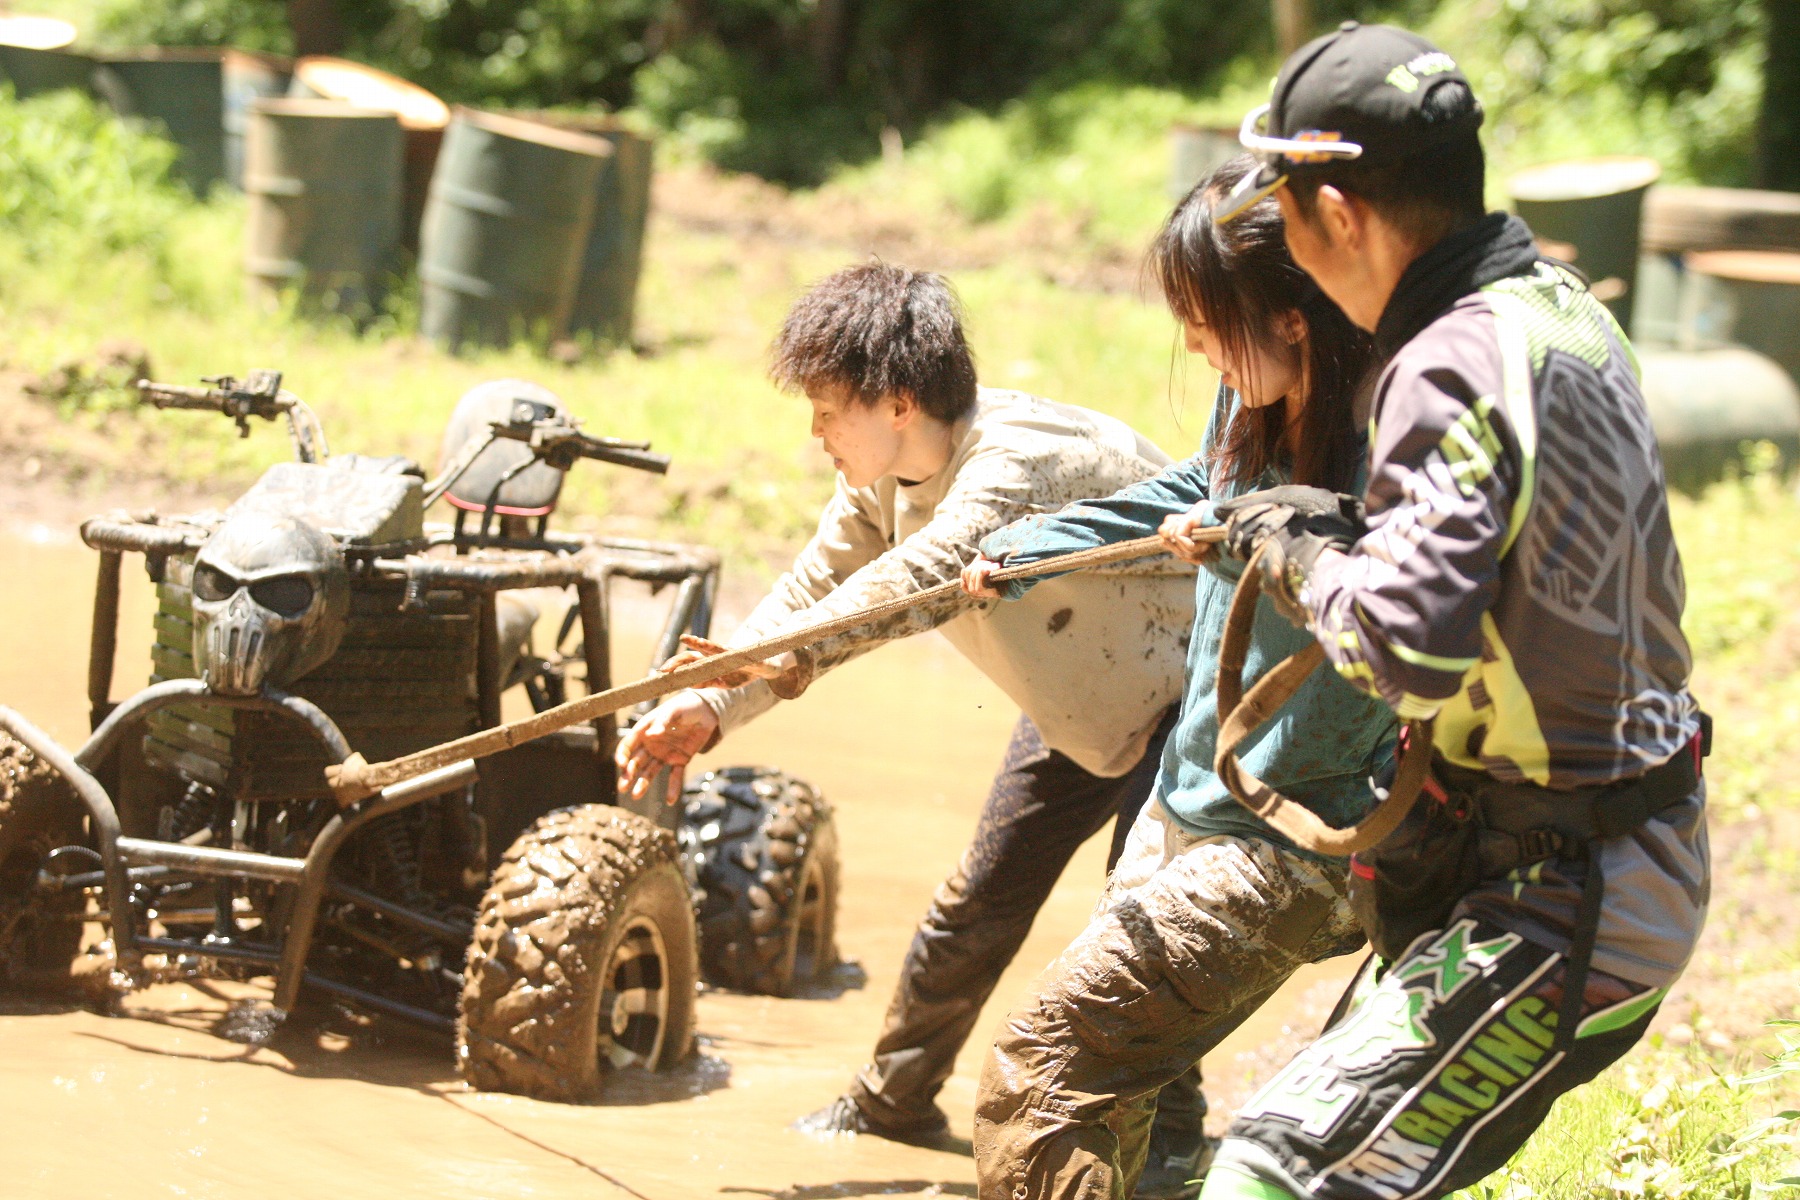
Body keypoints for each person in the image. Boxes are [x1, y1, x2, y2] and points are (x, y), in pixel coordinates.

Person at [1189, 24, 1710, 1200]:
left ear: (1336, 208)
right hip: (1596, 847)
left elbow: (1404, 652)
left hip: (1568, 895)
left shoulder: (1448, 363)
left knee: (1271, 1168)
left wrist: (1293, 552)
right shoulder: (1555, 305)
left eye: (1280, 196)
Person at [615, 262, 1202, 1161]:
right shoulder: (876, 485)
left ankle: (1171, 1152)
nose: (814, 435)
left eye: (825, 411)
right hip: (1077, 710)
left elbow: (924, 580)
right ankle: (893, 1104)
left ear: (894, 402)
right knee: (974, 906)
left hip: (1183, 704)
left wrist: (797, 652)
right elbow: (811, 590)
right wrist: (708, 703)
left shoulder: (1020, 461)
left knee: (1142, 926)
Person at [963, 155, 1398, 1200]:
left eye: (1208, 323)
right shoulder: (1251, 398)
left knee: (1040, 1078)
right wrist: (1037, 545)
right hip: (1187, 799)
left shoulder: (1391, 437)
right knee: (1118, 1093)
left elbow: (1394, 617)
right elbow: (1196, 489)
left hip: (1287, 835)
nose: (1195, 346)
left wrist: (1265, 540)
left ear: (1295, 318)